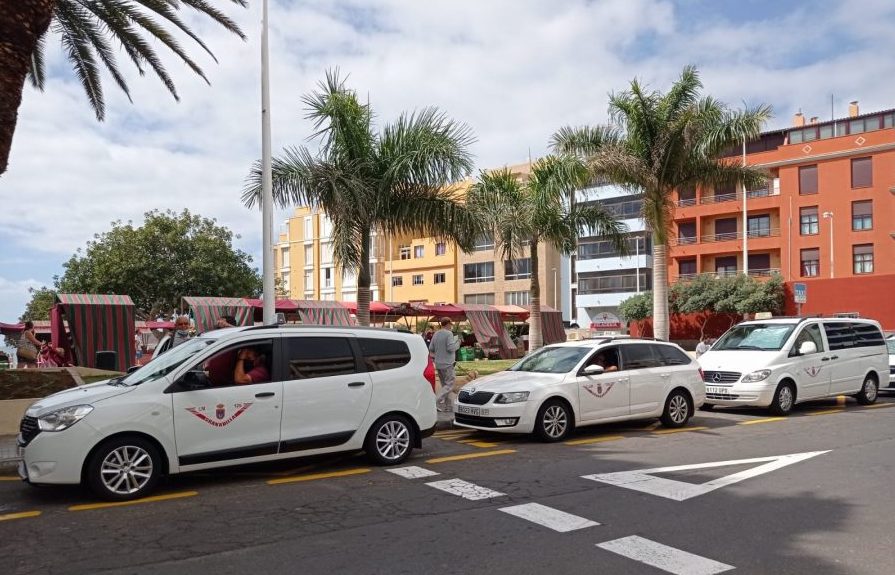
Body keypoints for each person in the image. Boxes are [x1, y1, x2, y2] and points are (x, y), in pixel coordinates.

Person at [428, 317, 460, 412]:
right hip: (448, 363)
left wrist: (437, 355)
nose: (451, 327)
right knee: (449, 385)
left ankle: (448, 407)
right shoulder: (449, 333)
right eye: (451, 325)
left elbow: (431, 348)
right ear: (448, 324)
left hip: (438, 363)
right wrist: (458, 343)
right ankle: (435, 400)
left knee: (445, 386)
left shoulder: (436, 333)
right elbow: (451, 348)